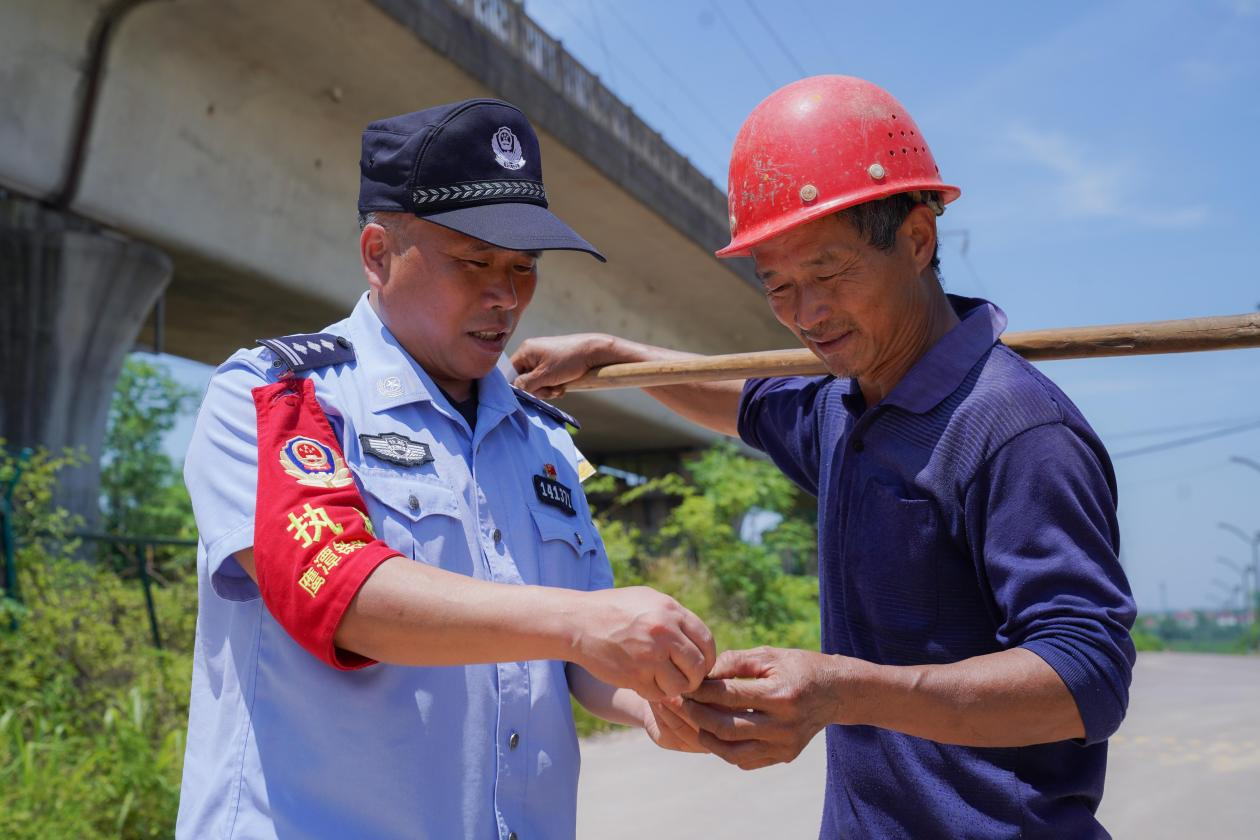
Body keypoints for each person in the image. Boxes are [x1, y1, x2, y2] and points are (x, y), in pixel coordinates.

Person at [512, 76, 1137, 839]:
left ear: (917, 239)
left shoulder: (1016, 431)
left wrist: (842, 690)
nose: (807, 314)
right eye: (778, 286)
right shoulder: (848, 406)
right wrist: (616, 354)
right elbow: (745, 403)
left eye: (831, 273)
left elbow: (1087, 676)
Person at [175, 99, 713, 840]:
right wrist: (583, 623)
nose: (506, 296)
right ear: (376, 253)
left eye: (523, 268)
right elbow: (338, 592)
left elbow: (574, 658)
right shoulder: (281, 395)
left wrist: (663, 698)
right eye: (474, 263)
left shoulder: (541, 439)